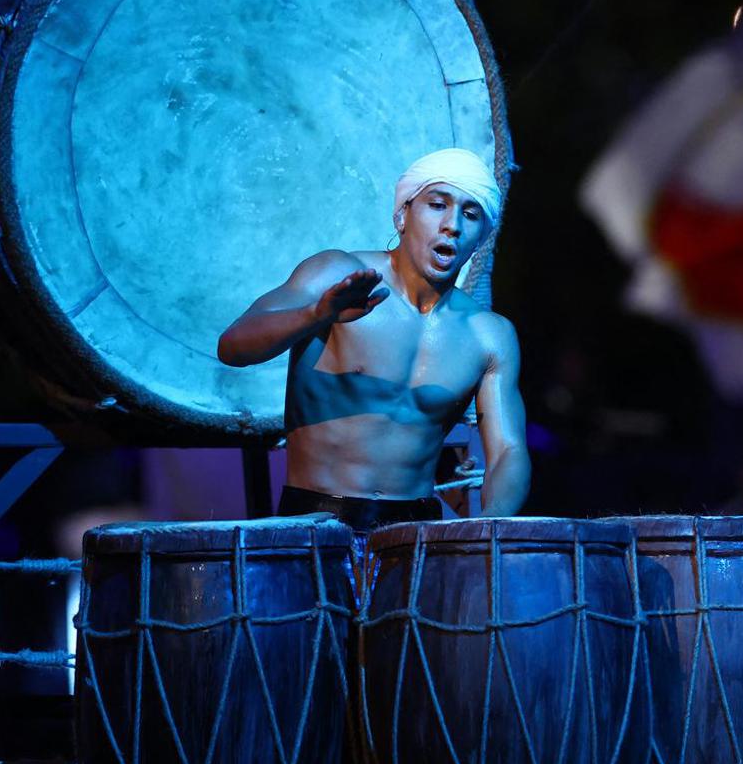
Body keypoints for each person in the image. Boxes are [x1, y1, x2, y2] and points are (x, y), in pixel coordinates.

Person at [217, 148, 530, 530]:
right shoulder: (336, 274)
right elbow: (232, 346)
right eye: (437, 205)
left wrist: (488, 528)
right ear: (402, 215)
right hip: (318, 522)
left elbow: (508, 450)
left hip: (416, 531)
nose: (452, 225)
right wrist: (316, 315)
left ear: (481, 237)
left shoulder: (488, 336)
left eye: (470, 214)